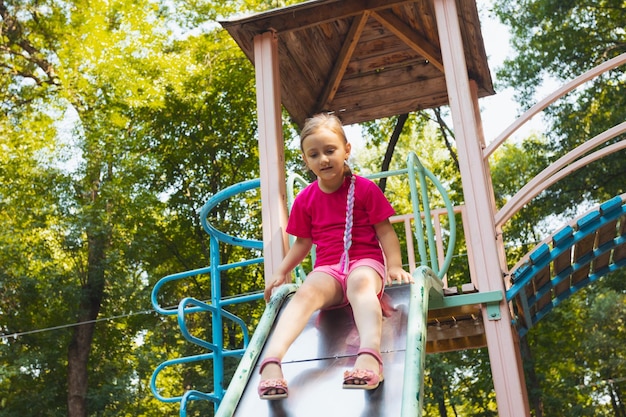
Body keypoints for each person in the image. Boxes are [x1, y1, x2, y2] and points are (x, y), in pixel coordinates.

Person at [257, 113, 413, 400]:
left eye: (330, 150)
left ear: (346, 150)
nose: (323, 159)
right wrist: (281, 271)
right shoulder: (306, 199)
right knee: (306, 292)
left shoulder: (365, 189)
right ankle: (271, 362)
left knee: (360, 284)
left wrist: (394, 266)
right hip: (328, 269)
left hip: (364, 263)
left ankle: (369, 355)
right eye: (314, 154)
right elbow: (302, 243)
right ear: (306, 160)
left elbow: (385, 232)